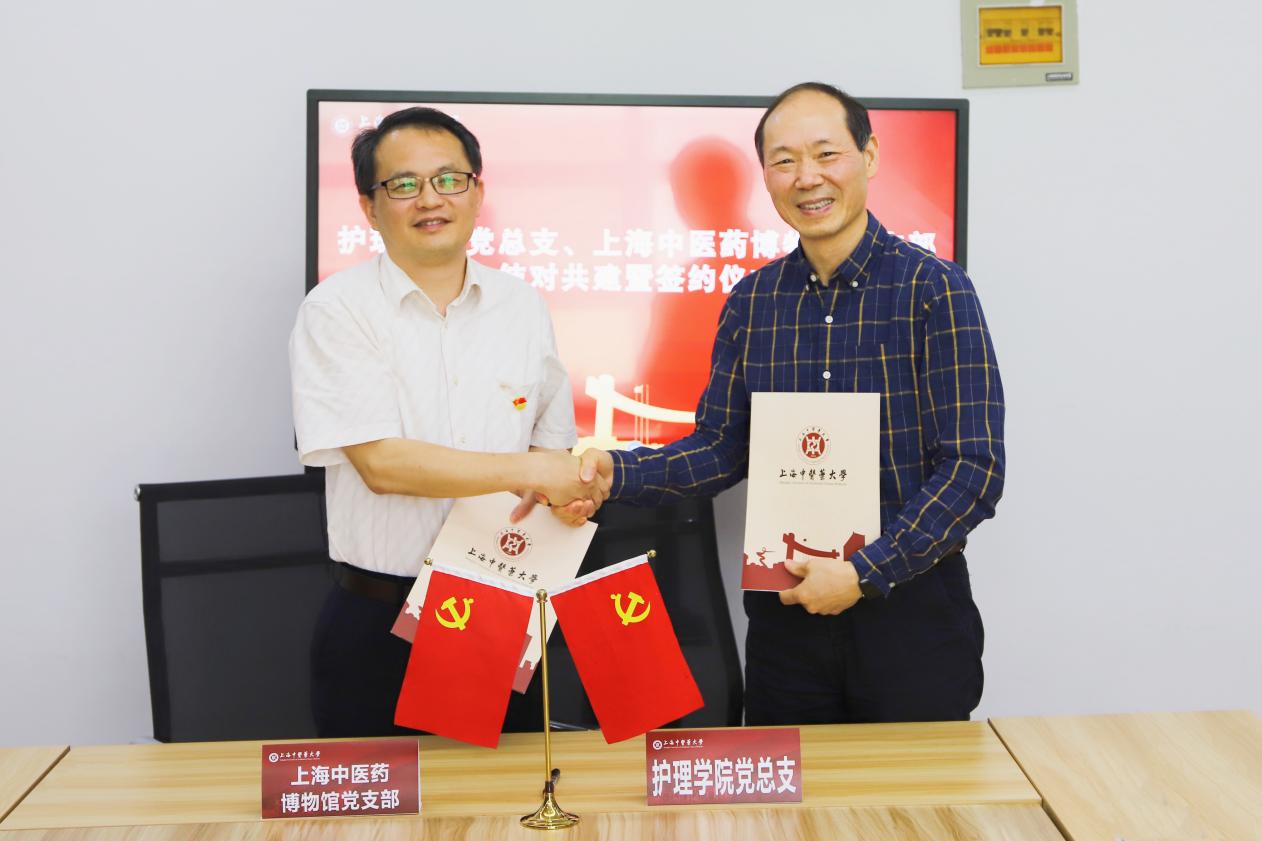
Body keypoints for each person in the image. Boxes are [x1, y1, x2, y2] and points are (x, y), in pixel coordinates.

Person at [568, 82, 1005, 725]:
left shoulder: (934, 290)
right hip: (786, 618)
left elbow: (974, 469)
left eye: (827, 154)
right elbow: (721, 448)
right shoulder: (753, 301)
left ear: (869, 156)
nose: (807, 178)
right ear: (766, 178)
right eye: (784, 161)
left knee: (913, 791)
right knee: (789, 789)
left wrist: (863, 572)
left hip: (910, 613)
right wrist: (615, 472)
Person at [289, 107, 604, 737]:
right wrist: (530, 470)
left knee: (506, 792)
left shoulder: (522, 307)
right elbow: (383, 466)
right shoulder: (337, 310)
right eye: (403, 184)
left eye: (449, 180)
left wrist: (572, 494)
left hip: (499, 611)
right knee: (380, 799)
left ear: (477, 193)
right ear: (369, 206)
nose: (430, 199)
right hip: (378, 622)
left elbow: (551, 456)